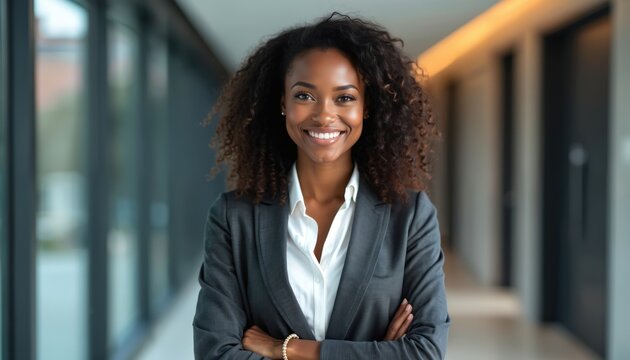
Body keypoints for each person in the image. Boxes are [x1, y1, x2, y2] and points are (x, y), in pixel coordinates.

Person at [193, 12, 449, 360]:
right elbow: (216, 353)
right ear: (283, 102)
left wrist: (285, 349)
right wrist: (377, 353)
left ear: (366, 106)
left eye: (344, 98)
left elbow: (426, 352)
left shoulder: (411, 217)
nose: (324, 115)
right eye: (304, 96)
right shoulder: (232, 218)